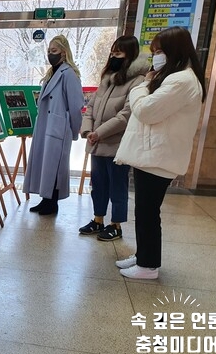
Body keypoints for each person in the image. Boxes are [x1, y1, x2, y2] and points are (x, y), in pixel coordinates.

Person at [113, 27, 206, 279]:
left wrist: (141, 86)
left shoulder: (182, 81)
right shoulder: (175, 78)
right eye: (154, 51)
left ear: (175, 51)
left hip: (158, 157)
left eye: (160, 51)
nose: (156, 56)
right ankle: (143, 255)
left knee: (148, 212)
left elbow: (146, 111)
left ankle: (148, 266)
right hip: (153, 156)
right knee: (144, 211)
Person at [79, 36, 150, 241]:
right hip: (96, 143)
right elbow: (90, 107)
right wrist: (87, 131)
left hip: (116, 145)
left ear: (130, 55)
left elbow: (126, 115)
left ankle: (116, 225)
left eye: (118, 53)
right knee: (98, 185)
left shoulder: (138, 81)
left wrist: (98, 133)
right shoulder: (108, 77)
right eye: (113, 52)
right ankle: (98, 220)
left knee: (117, 187)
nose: (113, 56)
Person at [23, 35, 85, 215]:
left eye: (54, 51)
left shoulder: (69, 74)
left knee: (55, 167)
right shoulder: (52, 73)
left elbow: (75, 106)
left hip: (59, 127)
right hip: (47, 126)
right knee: (46, 165)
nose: (50, 54)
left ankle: (52, 203)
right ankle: (45, 200)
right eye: (49, 51)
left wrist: (74, 131)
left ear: (64, 53)